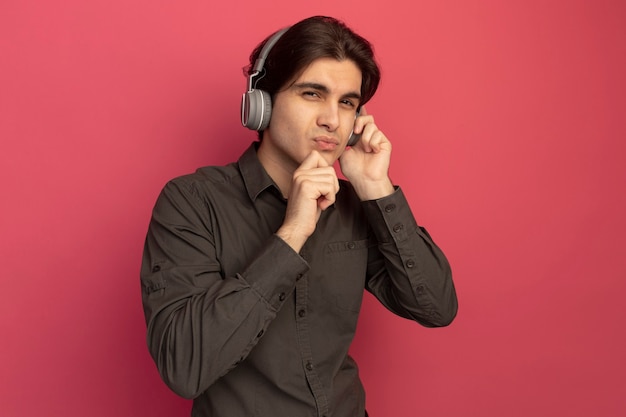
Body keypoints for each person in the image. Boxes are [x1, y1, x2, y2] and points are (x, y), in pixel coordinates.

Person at [140, 15, 458, 417]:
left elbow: (436, 308)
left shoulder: (353, 206)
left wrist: (378, 188)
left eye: (347, 102)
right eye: (312, 94)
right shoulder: (191, 201)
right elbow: (183, 367)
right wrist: (292, 233)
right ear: (262, 103)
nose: (332, 119)